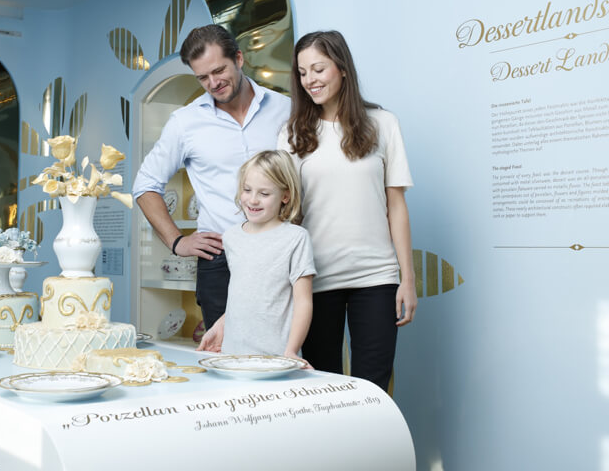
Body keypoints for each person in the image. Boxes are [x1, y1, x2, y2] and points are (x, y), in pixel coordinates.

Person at [277, 30, 417, 393]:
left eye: (318, 69)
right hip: (314, 279)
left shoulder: (383, 123)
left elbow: (396, 206)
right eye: (302, 72)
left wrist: (408, 279)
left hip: (376, 277)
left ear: (342, 68)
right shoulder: (292, 134)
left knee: (373, 388)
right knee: (322, 388)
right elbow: (286, 215)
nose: (310, 80)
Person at [132, 24, 291, 330]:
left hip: (281, 253)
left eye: (219, 70)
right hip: (220, 261)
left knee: (284, 349)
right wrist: (177, 241)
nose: (213, 83)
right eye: (202, 77)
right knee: (223, 352)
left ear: (239, 59)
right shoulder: (185, 122)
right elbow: (145, 185)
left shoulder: (285, 109)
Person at [197, 150, 315, 362]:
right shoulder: (231, 237)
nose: (253, 200)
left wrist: (291, 351)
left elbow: (303, 302)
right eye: (247, 190)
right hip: (232, 356)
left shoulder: (296, 238)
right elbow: (243, 296)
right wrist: (219, 326)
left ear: (285, 196)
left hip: (276, 358)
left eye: (264, 194)